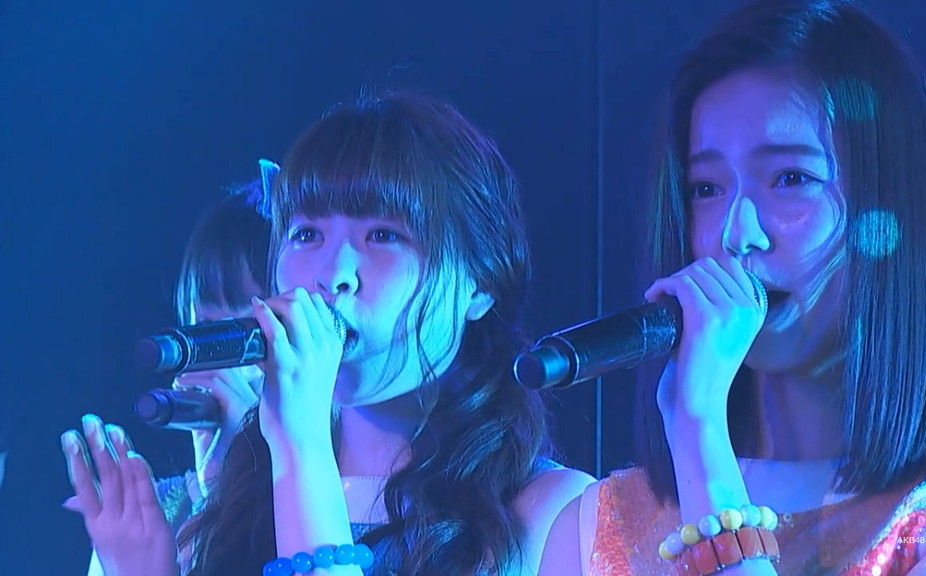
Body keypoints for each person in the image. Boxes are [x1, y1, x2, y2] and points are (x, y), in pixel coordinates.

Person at [540, 1, 926, 575]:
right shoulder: (596, 522)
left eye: (791, 179)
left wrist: (698, 426)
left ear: (886, 215)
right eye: (706, 188)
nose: (736, 234)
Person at [61, 93, 594, 576]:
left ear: (478, 285)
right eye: (306, 234)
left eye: (383, 235)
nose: (332, 273)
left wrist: (301, 447)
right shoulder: (231, 509)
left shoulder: (553, 513)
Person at [75, 169, 274, 575]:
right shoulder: (154, 512)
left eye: (242, 339)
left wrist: (240, 483)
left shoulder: (338, 501)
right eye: (204, 336)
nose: (221, 369)